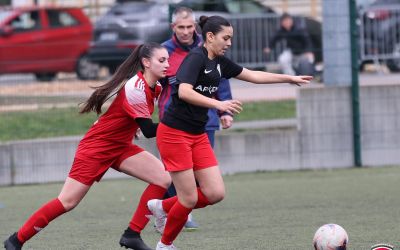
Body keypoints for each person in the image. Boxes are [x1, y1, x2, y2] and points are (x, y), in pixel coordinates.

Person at [147, 15, 312, 250]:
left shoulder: (220, 62)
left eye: (231, 38)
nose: (229, 43)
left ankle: (162, 207)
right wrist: (218, 104)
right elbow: (184, 92)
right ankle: (165, 245)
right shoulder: (196, 58)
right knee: (189, 198)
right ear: (210, 37)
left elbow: (253, 75)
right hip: (174, 133)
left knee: (214, 193)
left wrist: (288, 78)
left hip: (197, 135)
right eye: (226, 38)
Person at [3, 42, 171, 250]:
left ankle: (132, 235)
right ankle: (16, 240)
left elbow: (135, 120)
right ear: (146, 62)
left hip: (120, 146)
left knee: (163, 178)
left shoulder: (158, 87)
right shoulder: (135, 87)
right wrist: (182, 123)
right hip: (97, 147)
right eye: (161, 60)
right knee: (67, 202)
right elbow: (148, 130)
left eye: (168, 60)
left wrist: (132, 127)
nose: (167, 65)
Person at [157, 7, 234, 230]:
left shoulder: (211, 47)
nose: (186, 31)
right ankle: (175, 216)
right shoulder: (165, 52)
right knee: (179, 176)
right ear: (173, 28)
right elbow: (154, 83)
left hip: (205, 122)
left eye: (189, 26)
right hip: (174, 122)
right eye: (181, 27)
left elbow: (222, 80)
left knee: (204, 181)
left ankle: (172, 211)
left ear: (196, 27)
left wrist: (224, 111)